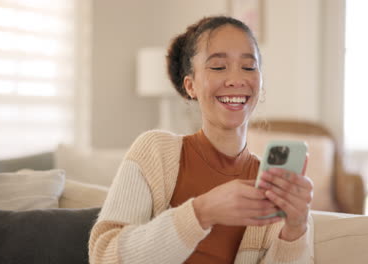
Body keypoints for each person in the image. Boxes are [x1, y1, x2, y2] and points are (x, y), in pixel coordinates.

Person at [89, 16, 314, 264]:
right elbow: (104, 256)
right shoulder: (154, 152)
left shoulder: (275, 187)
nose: (237, 79)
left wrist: (295, 231)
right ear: (191, 86)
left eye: (249, 67)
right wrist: (201, 212)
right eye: (218, 67)